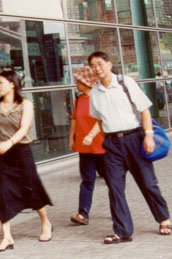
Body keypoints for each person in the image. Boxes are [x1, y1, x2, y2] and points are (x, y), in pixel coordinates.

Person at [86, 51, 172, 244]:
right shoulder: (94, 92)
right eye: (93, 66)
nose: (97, 68)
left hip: (134, 139)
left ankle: (163, 218)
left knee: (148, 184)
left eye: (100, 63)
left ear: (109, 64)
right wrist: (95, 137)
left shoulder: (125, 83)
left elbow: (144, 110)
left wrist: (148, 136)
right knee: (115, 188)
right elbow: (99, 120)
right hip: (111, 144)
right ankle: (122, 230)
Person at [0, 70, 52, 252]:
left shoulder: (26, 104)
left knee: (32, 188)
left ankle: (45, 222)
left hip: (21, 152)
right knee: (2, 193)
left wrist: (10, 142)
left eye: (1, 83)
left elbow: (24, 129)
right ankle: (7, 237)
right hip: (2, 155)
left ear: (12, 84)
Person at [69, 66, 105, 226]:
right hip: (84, 147)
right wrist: (71, 138)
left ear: (87, 83)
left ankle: (118, 210)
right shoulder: (79, 98)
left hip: (102, 146)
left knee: (113, 181)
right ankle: (83, 214)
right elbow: (74, 119)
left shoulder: (99, 98)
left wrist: (91, 135)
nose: (76, 83)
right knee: (87, 180)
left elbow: (102, 120)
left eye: (79, 81)